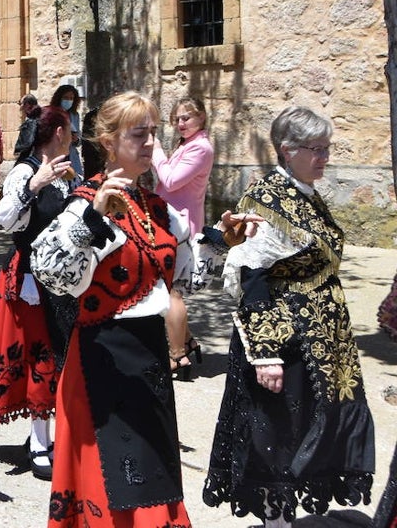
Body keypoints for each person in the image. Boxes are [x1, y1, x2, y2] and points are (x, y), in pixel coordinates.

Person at [30, 91, 253, 528]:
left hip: (149, 363)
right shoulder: (84, 201)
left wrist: (224, 242)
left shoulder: (157, 209)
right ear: (110, 141)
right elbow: (53, 275)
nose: (151, 142)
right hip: (101, 362)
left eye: (154, 132)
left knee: (152, 481)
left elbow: (185, 281)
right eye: (139, 134)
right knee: (115, 489)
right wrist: (91, 219)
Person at [203, 106, 375, 528]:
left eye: (327, 148)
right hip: (285, 338)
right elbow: (252, 275)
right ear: (287, 150)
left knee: (308, 430)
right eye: (316, 149)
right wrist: (265, 353)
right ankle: (275, 522)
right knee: (275, 435)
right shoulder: (266, 199)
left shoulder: (306, 193)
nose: (325, 157)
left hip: (320, 338)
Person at [0, 106, 74, 481]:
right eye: (70, 128)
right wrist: (34, 185)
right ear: (59, 132)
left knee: (60, 355)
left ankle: (53, 436)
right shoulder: (26, 171)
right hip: (30, 279)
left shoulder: (65, 171)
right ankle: (39, 441)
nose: (74, 135)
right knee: (39, 357)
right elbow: (5, 218)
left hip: (61, 280)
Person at [151, 96, 214, 380]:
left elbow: (172, 180)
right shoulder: (187, 145)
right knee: (166, 287)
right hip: (169, 223)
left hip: (181, 229)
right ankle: (188, 342)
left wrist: (156, 153)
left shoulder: (201, 148)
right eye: (177, 118)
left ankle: (177, 356)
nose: (180, 123)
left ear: (201, 117)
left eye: (186, 118)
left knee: (171, 291)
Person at [49, 84, 83, 177]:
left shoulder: (74, 115)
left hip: (71, 155)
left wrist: (76, 139)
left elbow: (79, 137)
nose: (68, 100)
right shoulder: (51, 113)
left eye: (71, 98)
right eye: (66, 97)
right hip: (56, 154)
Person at [13, 94, 41, 159]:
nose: (20, 107)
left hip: (31, 158)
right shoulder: (40, 117)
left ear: (27, 105)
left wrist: (19, 151)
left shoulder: (32, 121)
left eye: (21, 103)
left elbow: (28, 142)